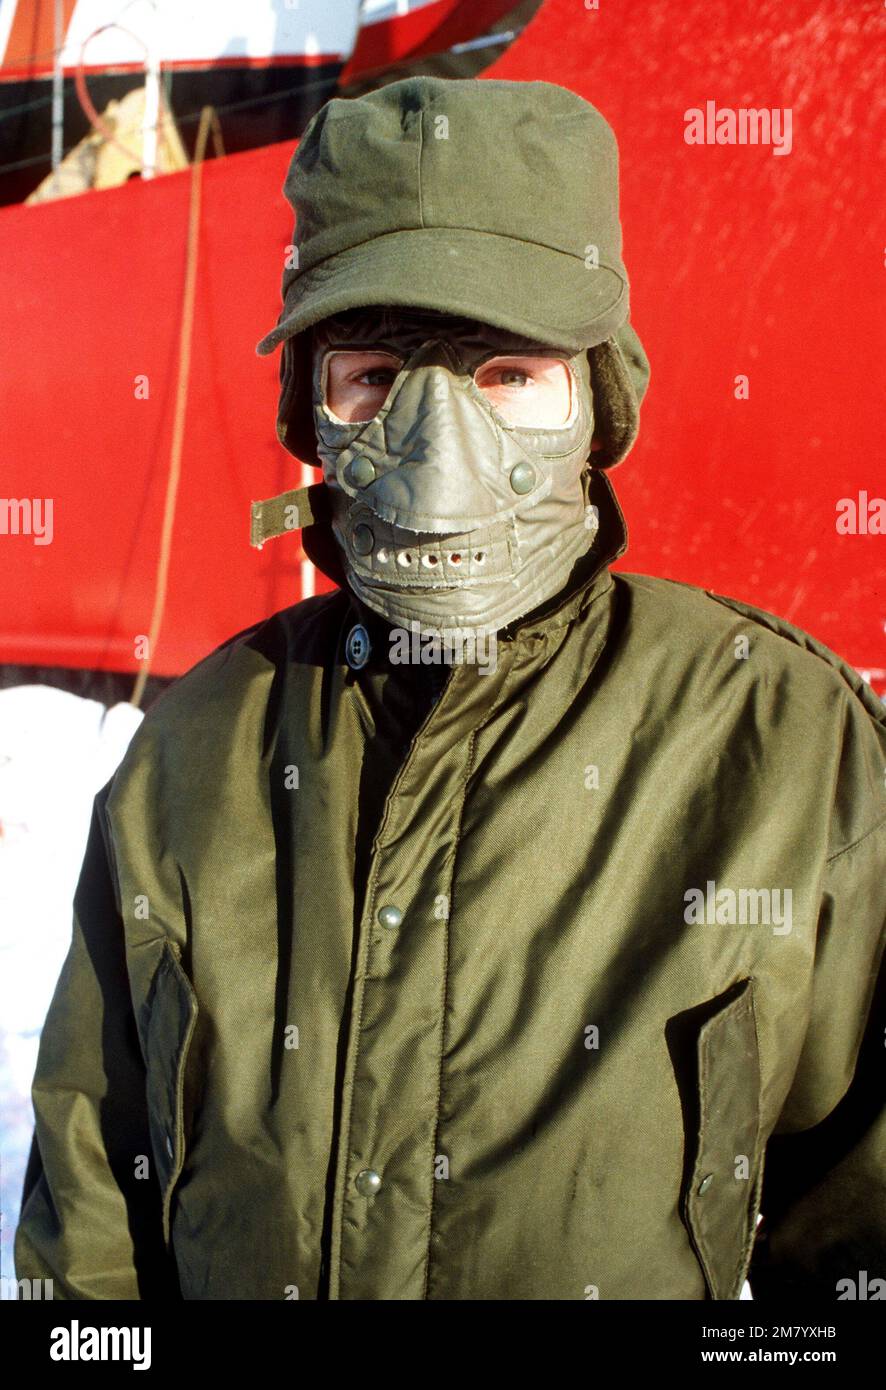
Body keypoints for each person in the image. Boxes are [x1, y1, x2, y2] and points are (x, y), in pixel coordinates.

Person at [15, 76, 885, 1301]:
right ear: (307, 413)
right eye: (373, 377)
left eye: (507, 375)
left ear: (600, 400)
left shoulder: (780, 748)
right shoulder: (196, 753)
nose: (436, 472)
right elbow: (89, 1250)